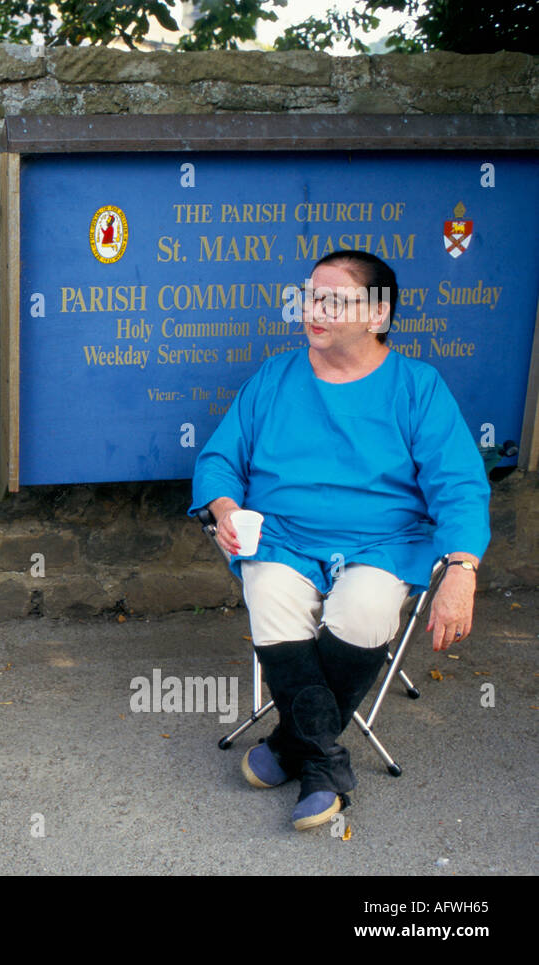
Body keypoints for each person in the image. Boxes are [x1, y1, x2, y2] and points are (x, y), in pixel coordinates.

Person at [190, 250, 489, 830]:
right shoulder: (275, 376)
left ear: (377, 315)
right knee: (270, 595)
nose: (313, 310)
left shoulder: (417, 386)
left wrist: (462, 567)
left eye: (333, 300)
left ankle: (289, 744)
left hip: (384, 543)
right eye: (309, 296)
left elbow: (458, 485)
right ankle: (325, 766)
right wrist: (225, 507)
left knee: (366, 609)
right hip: (282, 538)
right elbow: (220, 458)